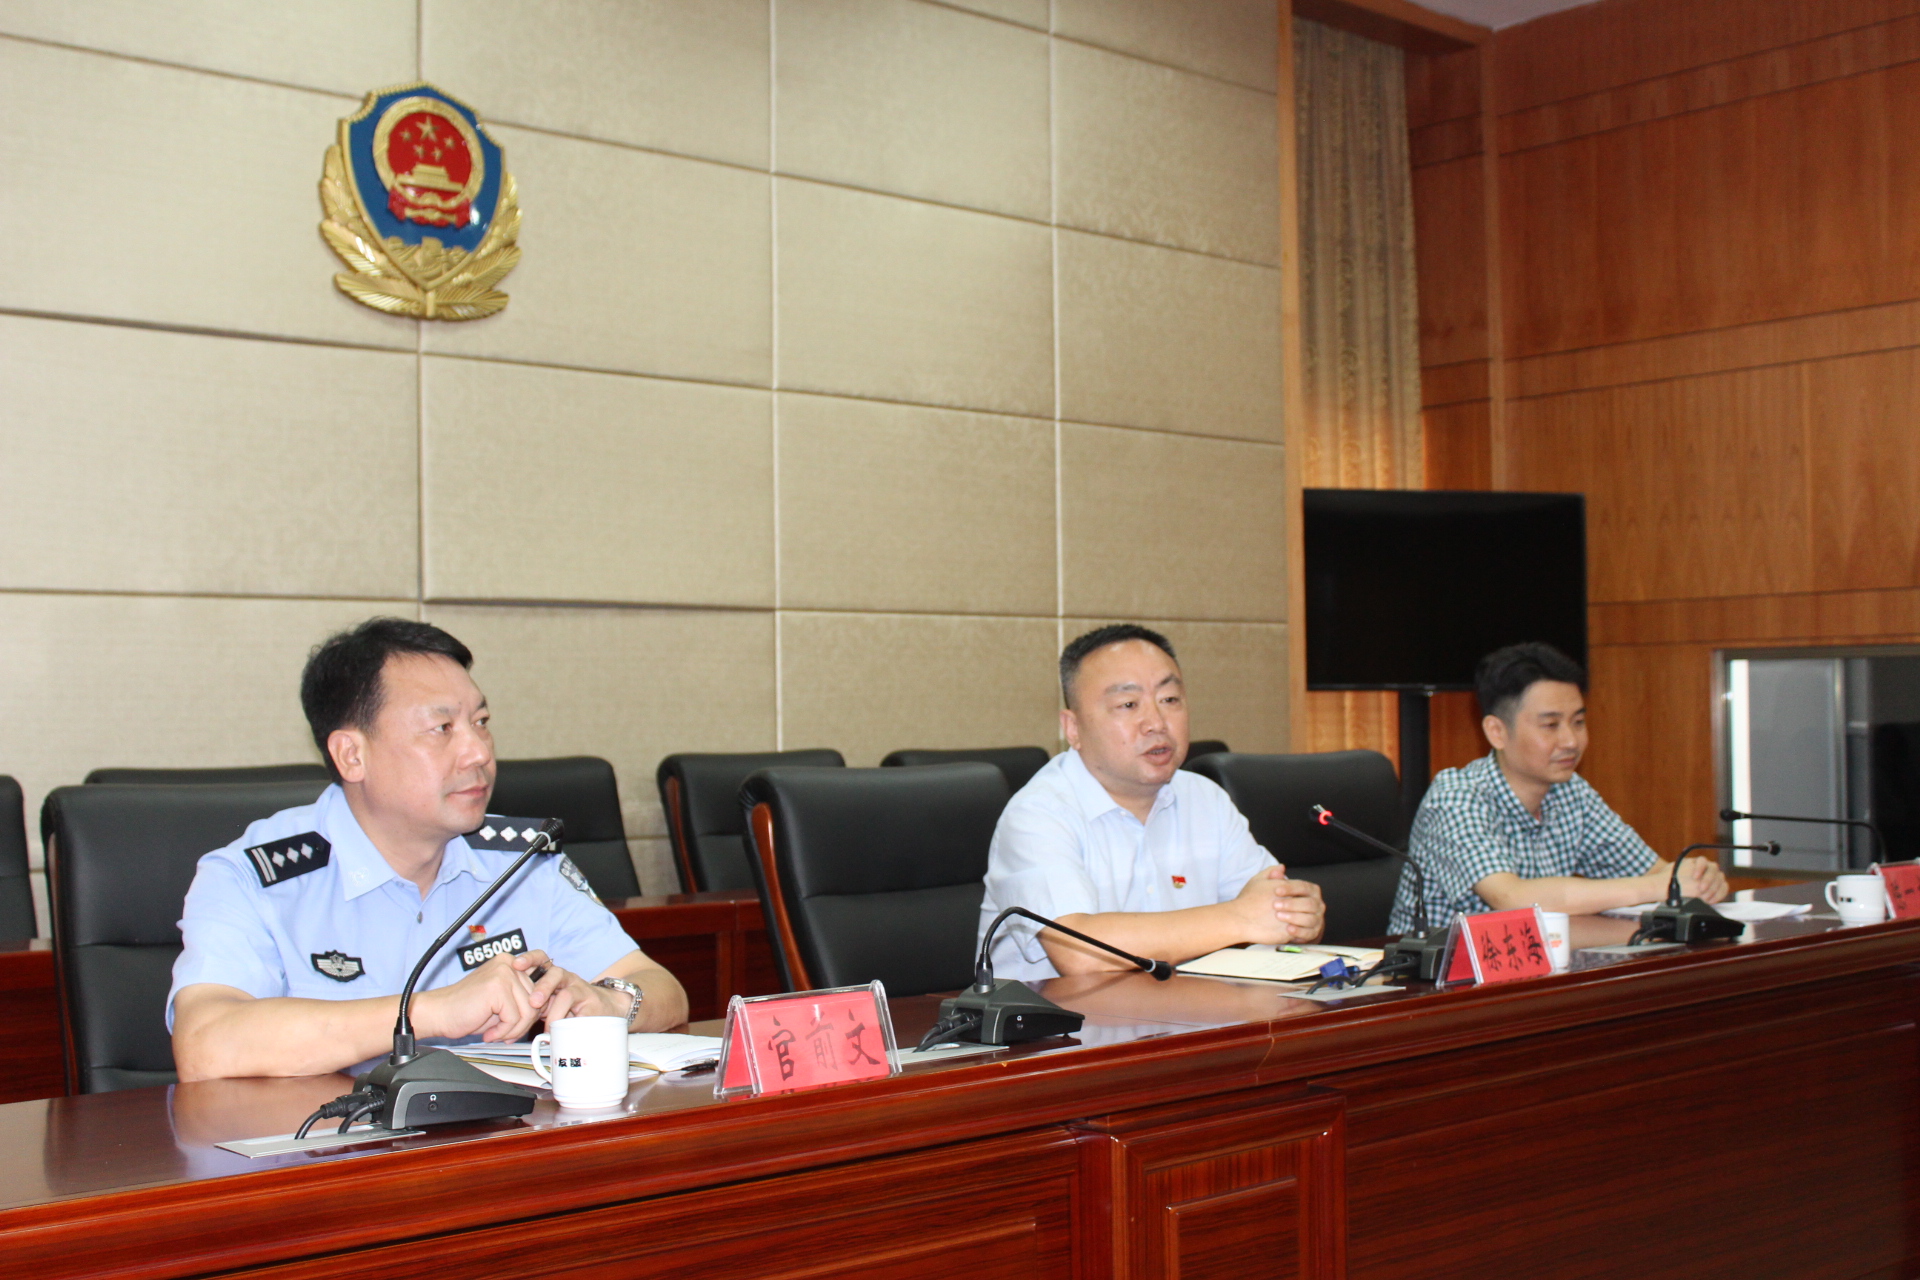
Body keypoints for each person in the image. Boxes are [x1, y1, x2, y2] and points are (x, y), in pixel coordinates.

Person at [169, 618, 687, 1081]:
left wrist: (609, 1002)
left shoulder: (522, 860)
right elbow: (204, 1044)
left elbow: (663, 989)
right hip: (328, 1148)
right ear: (351, 755)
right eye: (442, 729)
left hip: (498, 1143)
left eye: (481, 722)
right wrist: (431, 1012)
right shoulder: (252, 876)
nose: (478, 752)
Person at [978, 624, 1325, 980]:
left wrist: (1297, 916)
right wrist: (1242, 918)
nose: (1156, 723)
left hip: (1192, 1007)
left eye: (1169, 700)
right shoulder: (1038, 813)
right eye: (1128, 704)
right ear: (1073, 729)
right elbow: (1080, 953)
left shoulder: (1204, 798)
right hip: (1060, 1016)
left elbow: (1273, 909)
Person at [1388, 641, 1727, 933]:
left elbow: (1655, 871)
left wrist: (1695, 876)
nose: (1571, 741)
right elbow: (1512, 898)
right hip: (1436, 980)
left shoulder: (1571, 792)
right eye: (1551, 725)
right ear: (1497, 732)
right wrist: (1661, 886)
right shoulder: (1456, 796)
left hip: (1539, 972)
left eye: (1578, 722)